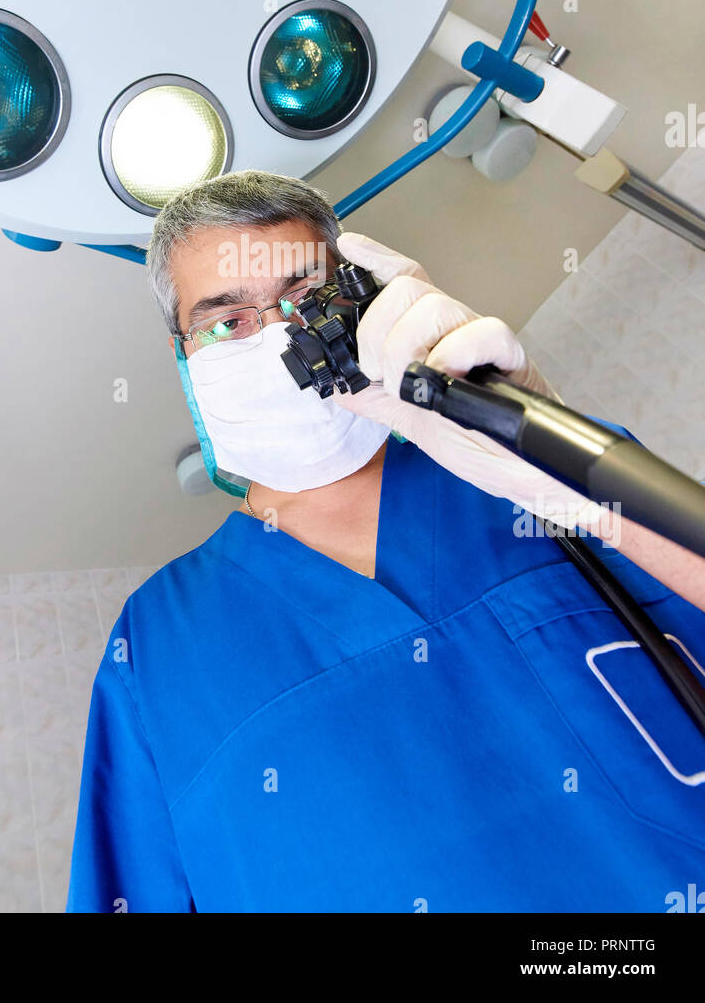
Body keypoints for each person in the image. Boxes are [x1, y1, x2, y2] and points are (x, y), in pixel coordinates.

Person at [66, 170, 705, 913]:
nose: (277, 337)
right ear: (187, 363)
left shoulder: (549, 487)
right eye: (228, 321)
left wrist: (546, 458)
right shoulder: (153, 647)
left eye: (307, 302)